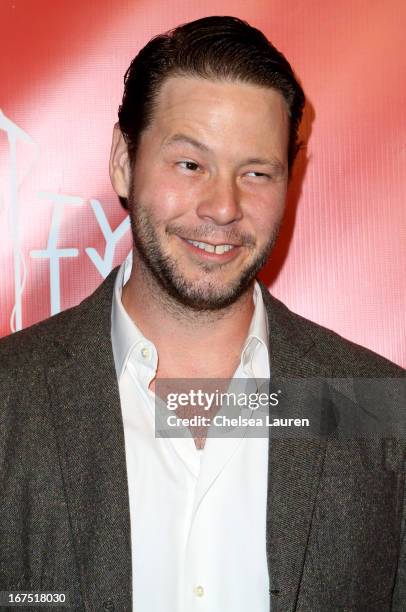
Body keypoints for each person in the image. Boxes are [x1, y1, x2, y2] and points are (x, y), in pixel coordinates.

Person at [0, 15, 405, 612]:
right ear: (122, 160)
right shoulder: (12, 397)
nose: (223, 207)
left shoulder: (378, 407)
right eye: (190, 164)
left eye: (257, 172)